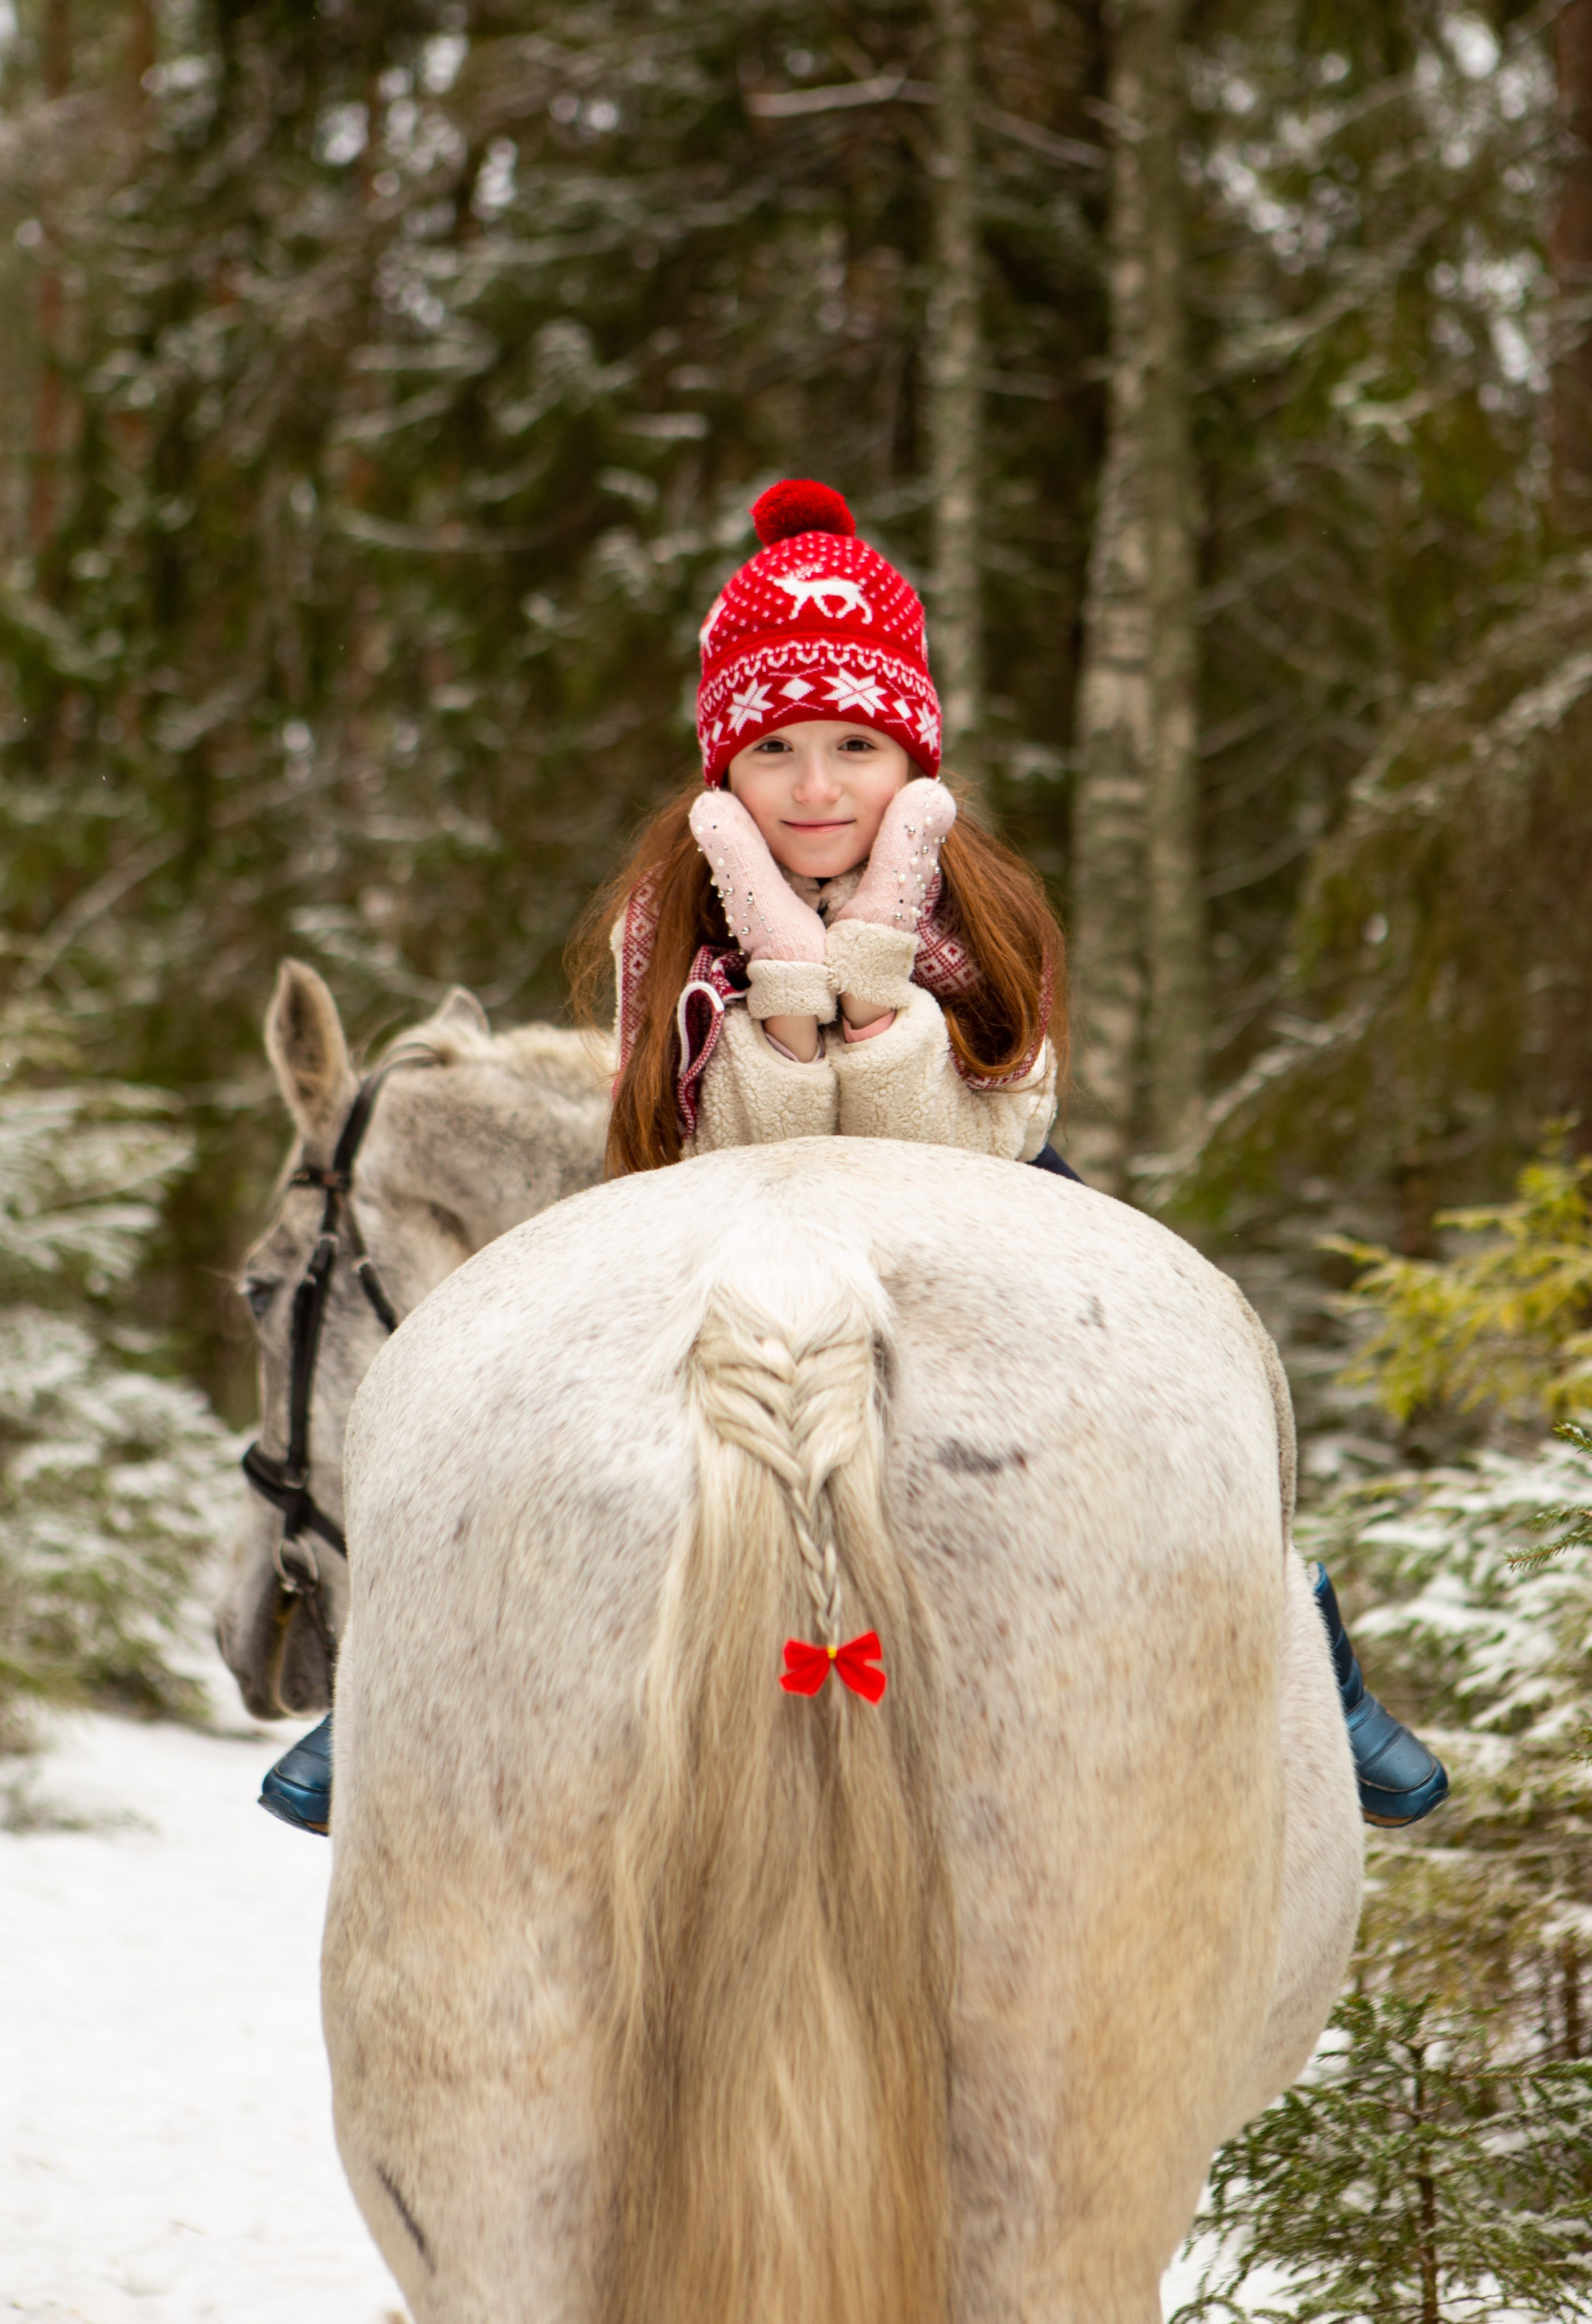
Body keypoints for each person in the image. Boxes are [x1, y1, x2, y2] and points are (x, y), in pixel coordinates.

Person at [261, 477, 1446, 1834]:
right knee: (513, 1385)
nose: (815, 787)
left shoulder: (981, 906)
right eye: (772, 753)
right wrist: (772, 982)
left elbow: (978, 1133)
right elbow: (699, 1142)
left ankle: (1302, 1638)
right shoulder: (675, 922)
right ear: (722, 775)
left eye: (853, 745)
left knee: (1199, 1342)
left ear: (910, 755)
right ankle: (396, 1679)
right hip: (728, 1201)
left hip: (972, 1183)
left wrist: (874, 981)